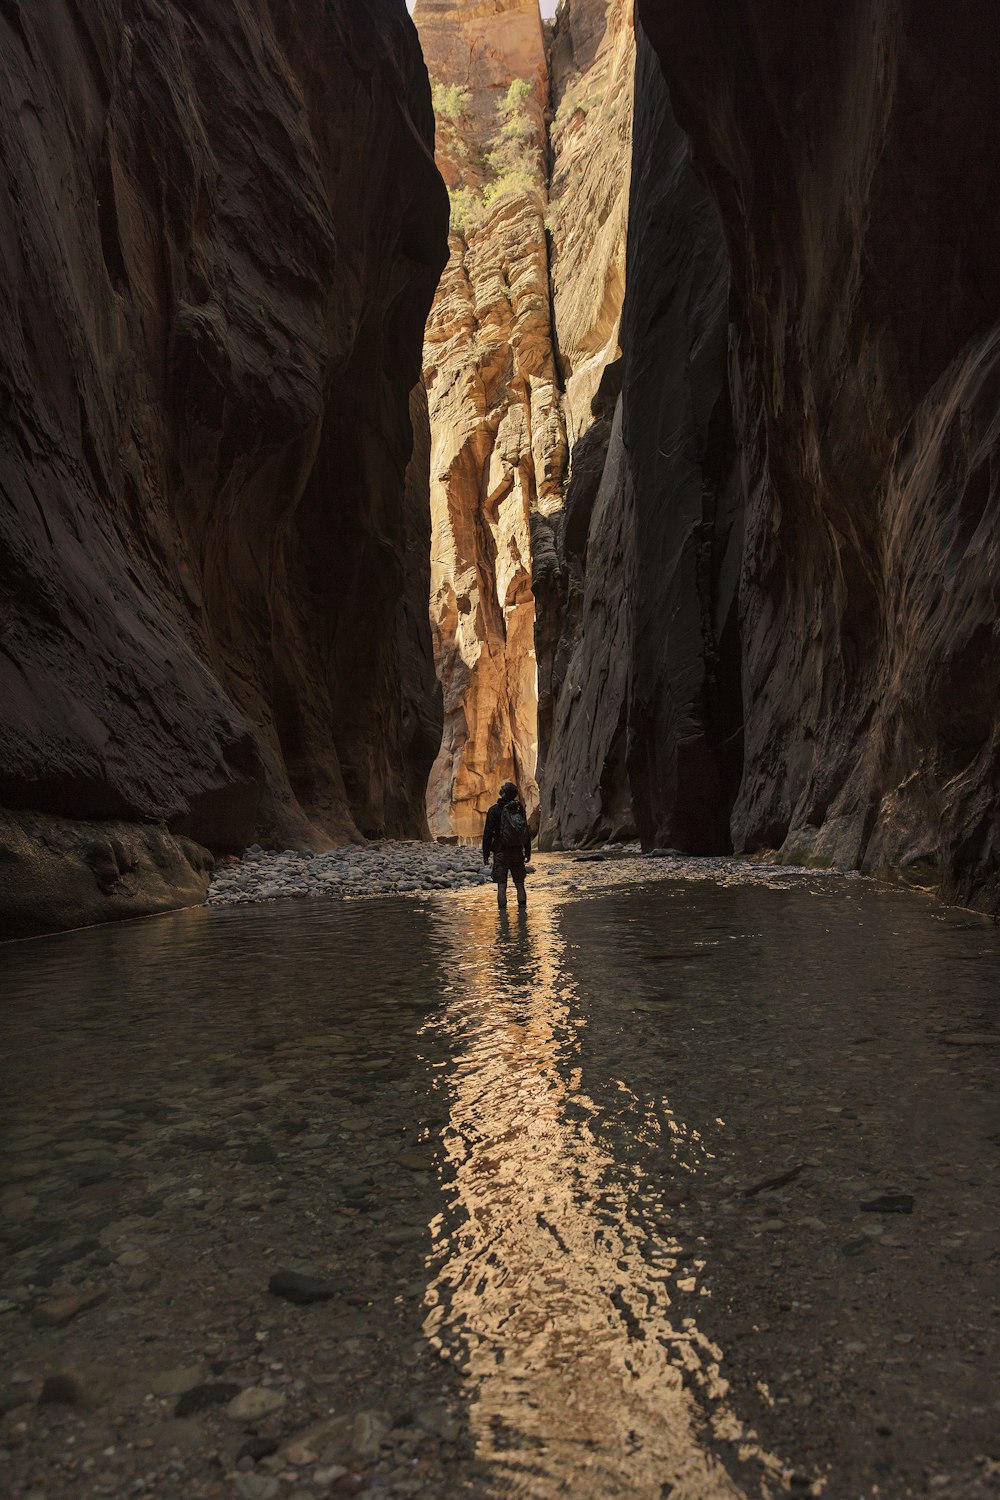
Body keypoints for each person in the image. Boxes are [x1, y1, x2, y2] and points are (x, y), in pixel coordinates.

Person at [483, 780, 531, 909]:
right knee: (520, 884)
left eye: (502, 787)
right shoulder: (519, 809)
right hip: (517, 852)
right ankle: (522, 915)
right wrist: (527, 851)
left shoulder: (494, 810)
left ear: (503, 793)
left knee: (502, 885)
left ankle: (503, 919)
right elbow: (525, 830)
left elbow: (487, 833)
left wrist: (485, 854)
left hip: (500, 852)